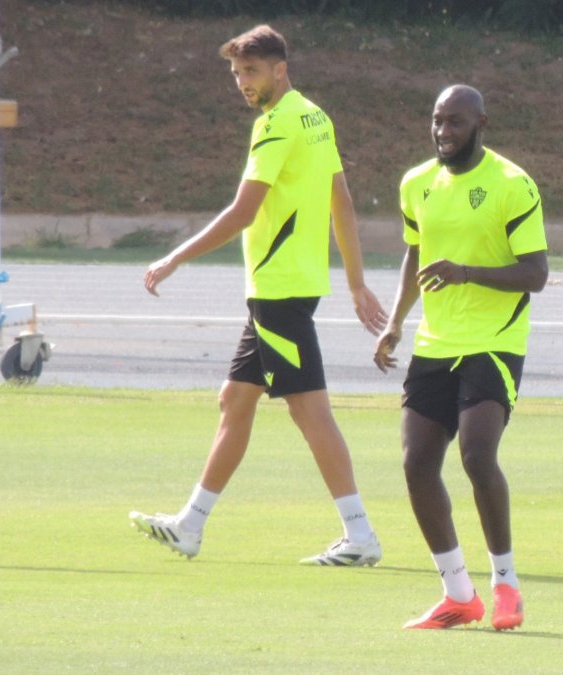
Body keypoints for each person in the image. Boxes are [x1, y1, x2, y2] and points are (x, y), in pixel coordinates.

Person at [130, 24, 388, 567]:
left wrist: (175, 257)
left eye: (251, 72)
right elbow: (341, 196)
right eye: (236, 74)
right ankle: (190, 525)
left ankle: (360, 535)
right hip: (283, 292)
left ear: (280, 69)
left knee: (310, 412)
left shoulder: (276, 125)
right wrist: (355, 280)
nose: (243, 83)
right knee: (235, 399)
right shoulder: (316, 116)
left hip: (280, 292)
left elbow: (244, 211)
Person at [373, 84, 548, 630]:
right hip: (435, 342)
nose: (443, 132)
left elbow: (536, 274)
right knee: (416, 462)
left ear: (480, 124)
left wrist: (466, 273)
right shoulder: (416, 183)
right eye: (436, 121)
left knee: (476, 454)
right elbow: (415, 253)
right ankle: (457, 593)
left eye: (455, 123)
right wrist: (396, 323)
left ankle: (506, 585)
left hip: (494, 342)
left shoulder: (511, 184)